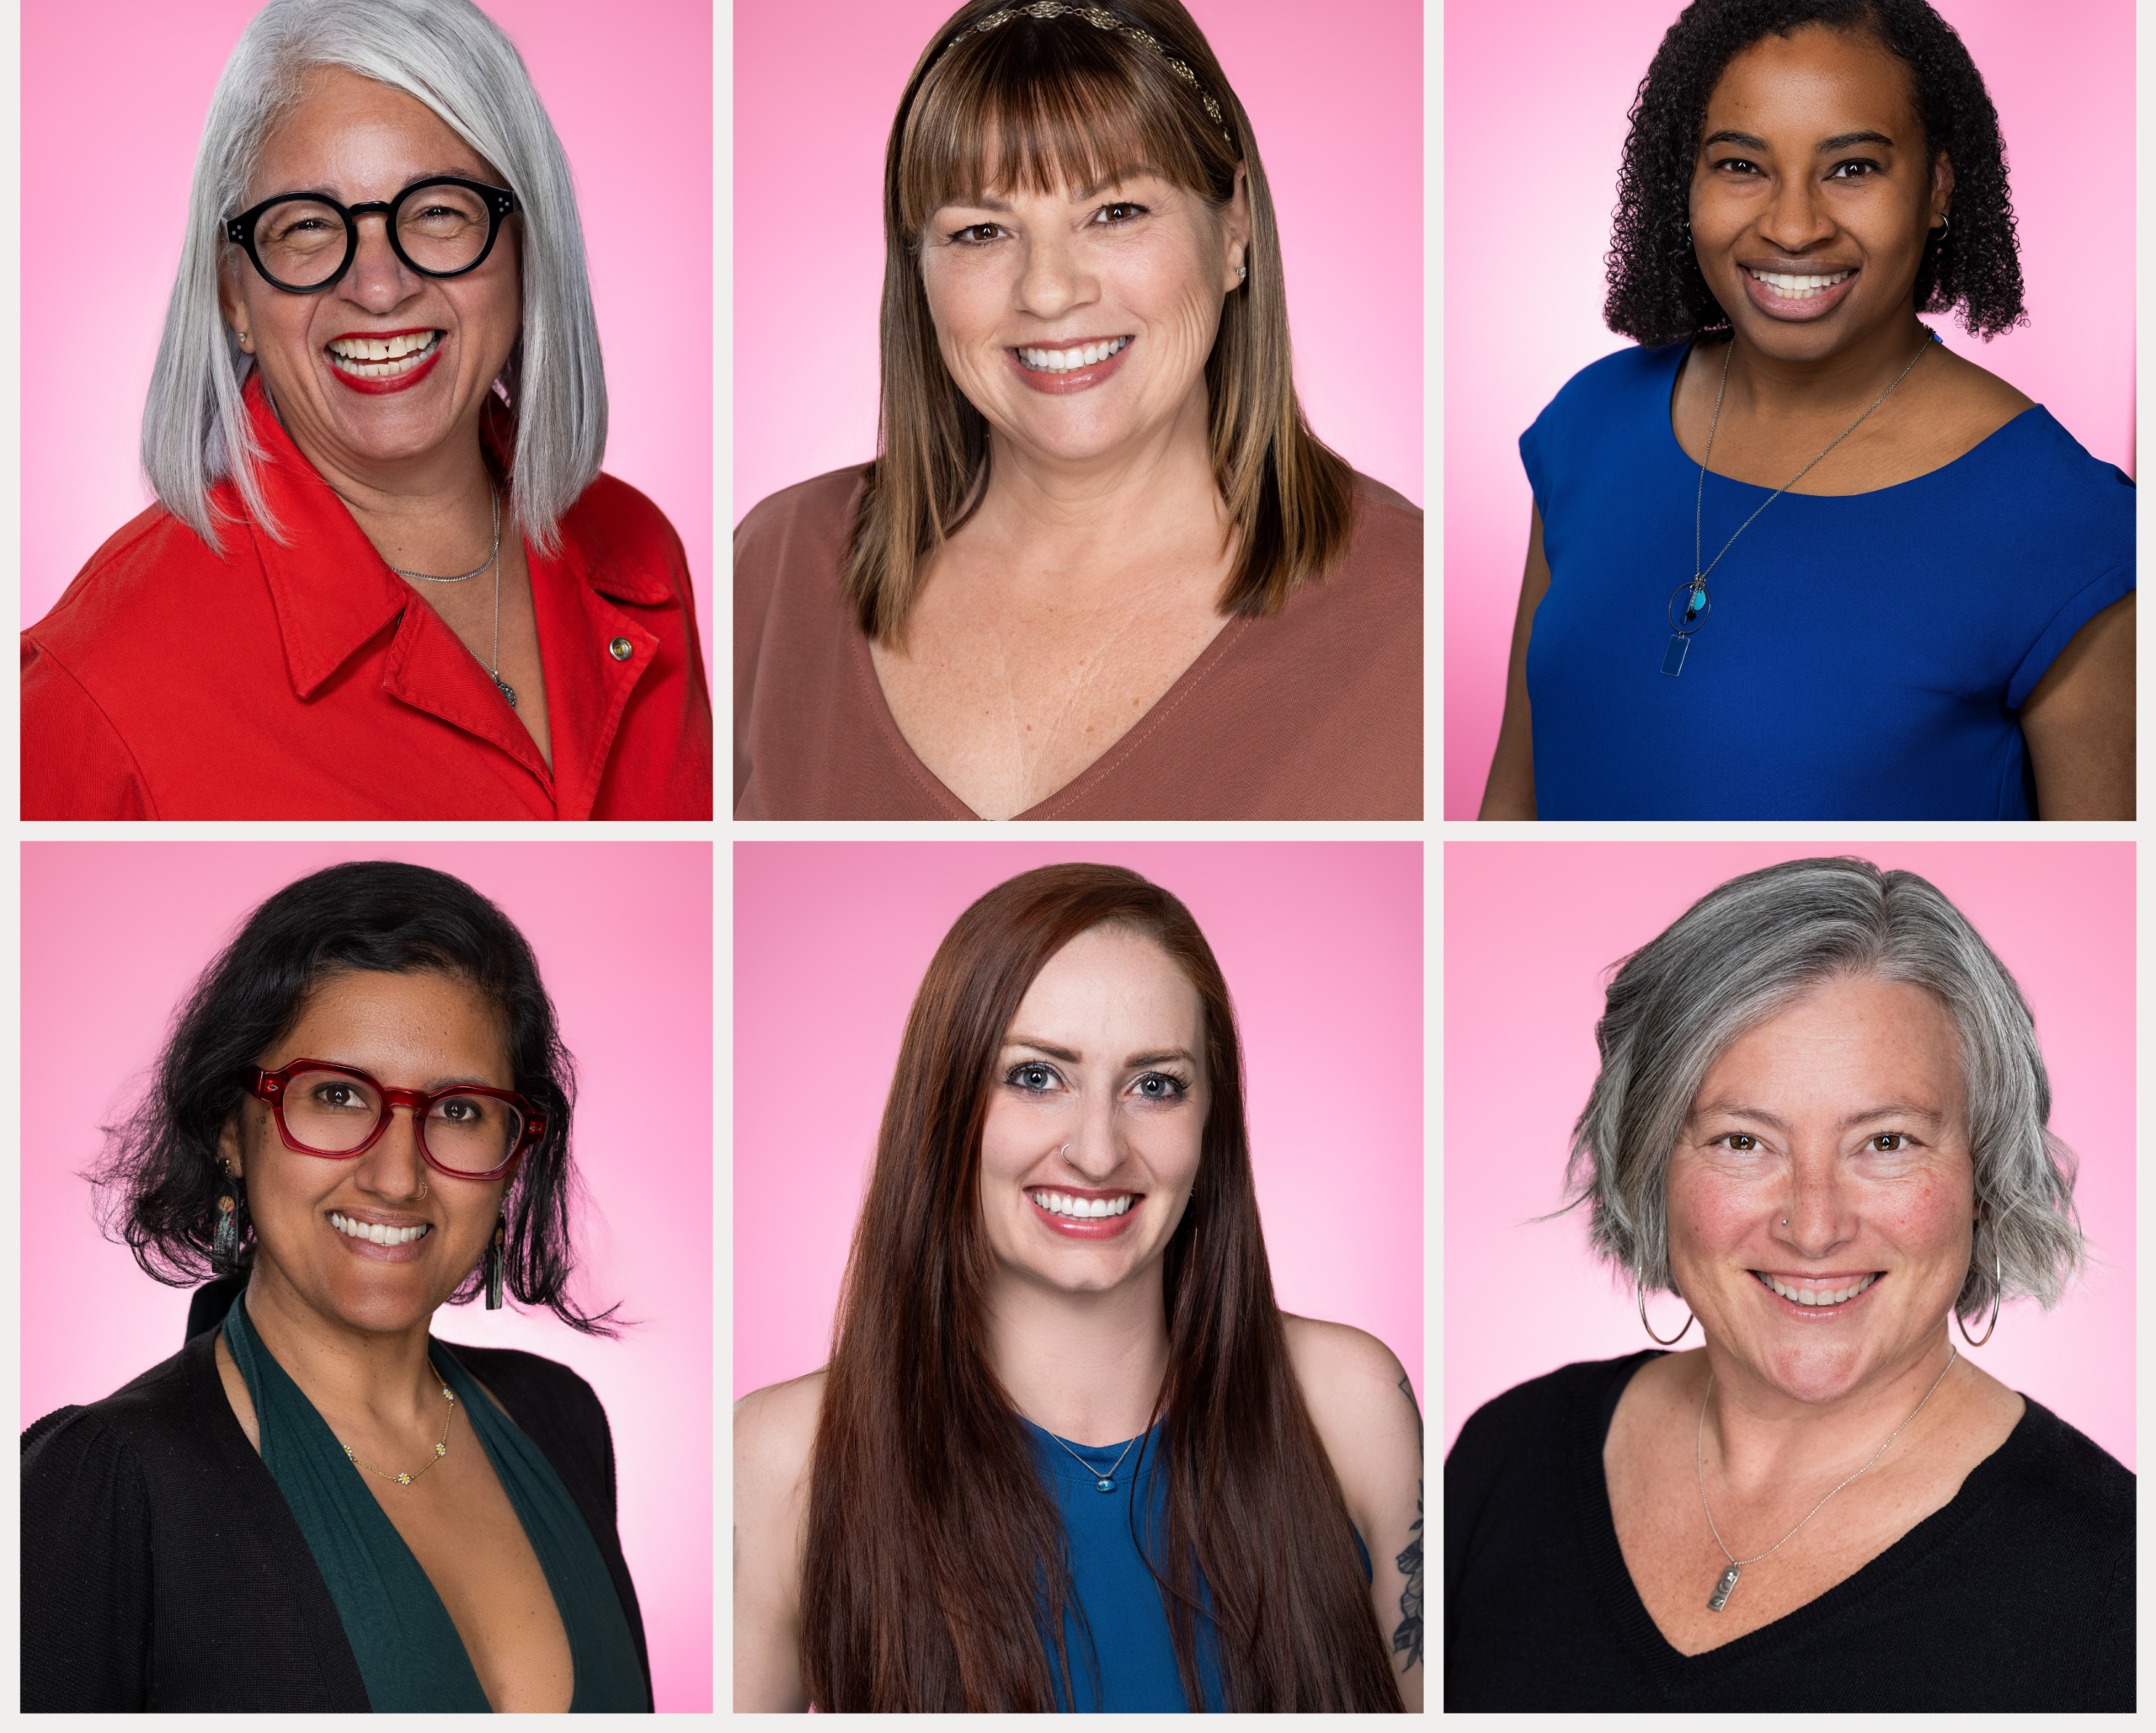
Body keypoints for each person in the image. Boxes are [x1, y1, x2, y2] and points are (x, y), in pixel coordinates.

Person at [22, 0, 712, 819]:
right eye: (309, 225)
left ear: (527, 251)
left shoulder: (642, 556)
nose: (379, 287)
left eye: (437, 210)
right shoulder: (93, 690)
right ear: (234, 293)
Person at [734, 0, 1422, 819]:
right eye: (981, 230)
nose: (1049, 291)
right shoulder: (770, 567)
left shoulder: (1411, 601)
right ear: (917, 266)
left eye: (1116, 212)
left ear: (1234, 225)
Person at [1446, 856, 2133, 1709]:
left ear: (1983, 1175)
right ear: (1650, 1161)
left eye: (1886, 1141)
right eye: (1743, 1140)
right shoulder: (1506, 1455)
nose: (1813, 1226)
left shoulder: (2116, 1577)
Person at [735, 861, 1422, 1710]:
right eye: (1035, 1075)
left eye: (1154, 1084)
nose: (1097, 1150)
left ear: (1211, 1124)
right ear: (945, 1101)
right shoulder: (781, 1458)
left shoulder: (1350, 1399)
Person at [1480, 0, 2134, 820]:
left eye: (1852, 167)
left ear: (1937, 186)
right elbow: (1510, 808)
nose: (1792, 225)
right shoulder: (1590, 424)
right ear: (1687, 183)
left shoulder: (2070, 526)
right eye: (1740, 165)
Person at [24, 858, 654, 1711]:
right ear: (230, 1129)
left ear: (512, 1156)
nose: (396, 1176)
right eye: (335, 1095)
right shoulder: (110, 1480)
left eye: (460, 1109)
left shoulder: (561, 1418)